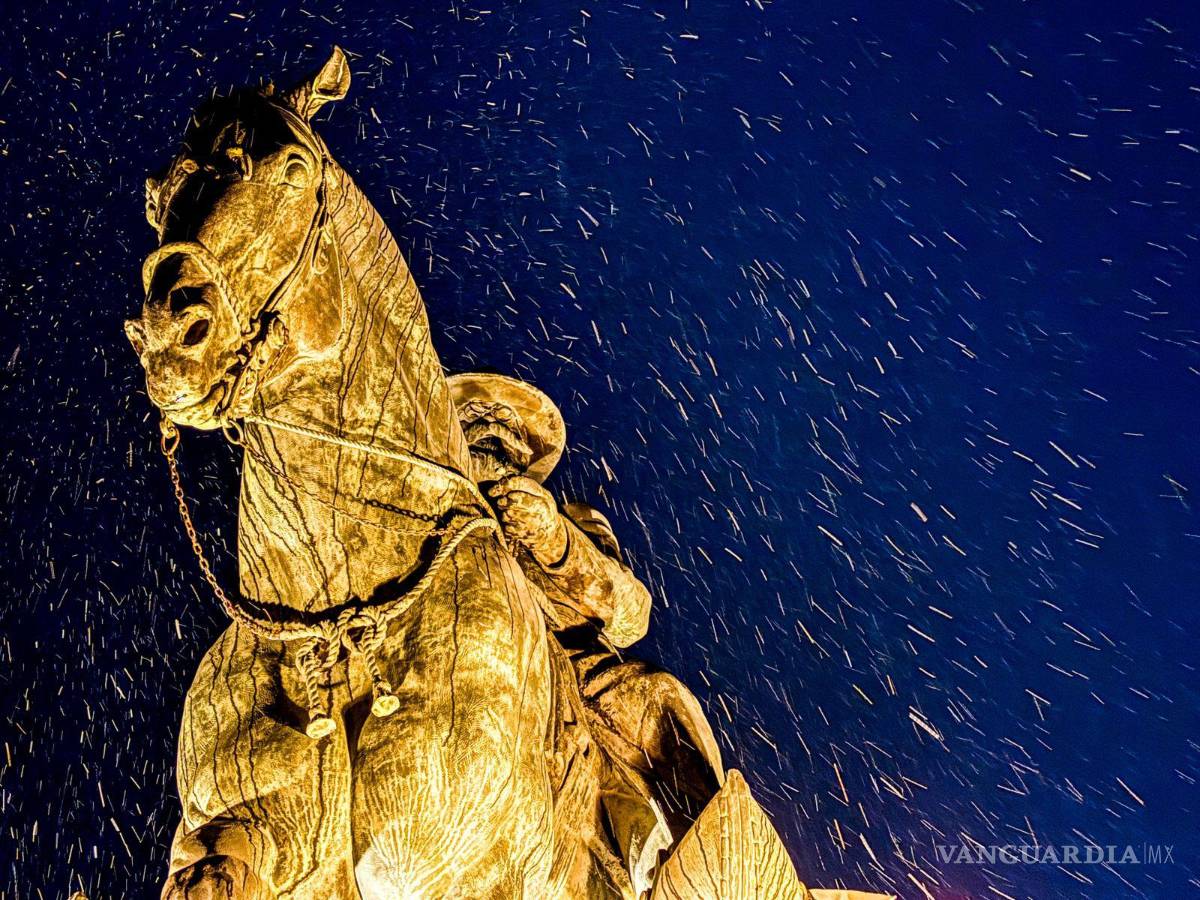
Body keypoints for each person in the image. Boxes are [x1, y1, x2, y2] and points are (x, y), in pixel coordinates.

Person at [447, 373, 725, 892]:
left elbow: (629, 613)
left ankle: (709, 860)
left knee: (652, 696)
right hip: (437, 652)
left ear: (523, 453)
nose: (491, 433)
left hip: (572, 670)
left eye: (506, 430)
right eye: (475, 423)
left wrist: (554, 539)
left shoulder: (570, 518)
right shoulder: (421, 514)